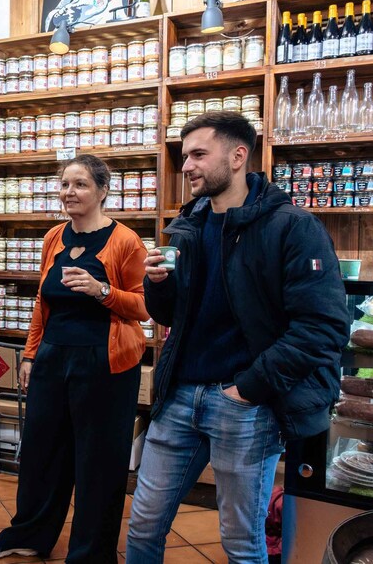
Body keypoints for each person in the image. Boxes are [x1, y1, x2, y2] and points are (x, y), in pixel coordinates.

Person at [126, 111, 349, 563]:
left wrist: (247, 388)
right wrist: (158, 284)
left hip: (247, 405)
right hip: (180, 396)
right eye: (184, 156)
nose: (186, 166)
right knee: (143, 524)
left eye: (198, 154)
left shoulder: (292, 227)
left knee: (241, 542)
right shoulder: (187, 226)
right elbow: (167, 316)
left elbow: (323, 327)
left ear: (237, 156)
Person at [0, 154, 149, 563]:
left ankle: (91, 553)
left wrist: (101, 290)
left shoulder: (126, 241)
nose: (70, 192)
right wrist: (30, 355)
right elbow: (42, 301)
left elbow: (144, 307)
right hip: (53, 359)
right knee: (42, 453)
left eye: (80, 184)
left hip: (106, 364)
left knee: (98, 463)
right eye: (65, 184)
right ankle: (29, 535)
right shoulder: (54, 236)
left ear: (103, 191)